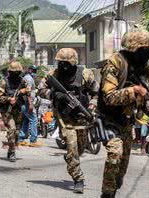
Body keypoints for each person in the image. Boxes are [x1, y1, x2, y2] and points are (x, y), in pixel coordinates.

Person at [99, 29, 149, 197]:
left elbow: (144, 95)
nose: (148, 54)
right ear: (134, 49)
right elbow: (108, 97)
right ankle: (107, 194)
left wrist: (146, 103)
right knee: (114, 156)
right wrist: (134, 90)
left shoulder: (141, 67)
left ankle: (113, 187)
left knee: (121, 170)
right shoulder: (115, 63)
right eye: (145, 50)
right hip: (109, 119)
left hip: (126, 121)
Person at [39, 48, 99, 194]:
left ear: (74, 64)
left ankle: (71, 159)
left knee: (80, 147)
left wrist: (91, 107)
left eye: (67, 64)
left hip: (82, 116)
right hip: (64, 117)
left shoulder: (85, 74)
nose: (64, 67)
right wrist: (54, 94)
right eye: (61, 63)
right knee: (72, 146)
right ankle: (78, 178)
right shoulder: (53, 74)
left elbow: (97, 93)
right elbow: (40, 89)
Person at [0, 61, 24, 162]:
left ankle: (10, 149)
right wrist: (9, 99)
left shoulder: (22, 81)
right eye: (14, 72)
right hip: (7, 110)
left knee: (17, 132)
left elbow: (27, 93)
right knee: (12, 129)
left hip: (18, 109)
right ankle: (12, 152)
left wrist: (25, 92)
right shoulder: (5, 82)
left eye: (17, 72)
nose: (16, 74)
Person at [18, 65, 40, 147]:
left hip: (24, 102)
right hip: (27, 103)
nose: (35, 72)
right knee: (34, 119)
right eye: (34, 70)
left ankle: (21, 139)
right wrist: (30, 104)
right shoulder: (29, 79)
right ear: (30, 70)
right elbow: (28, 92)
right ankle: (33, 141)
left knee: (26, 120)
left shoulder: (26, 77)